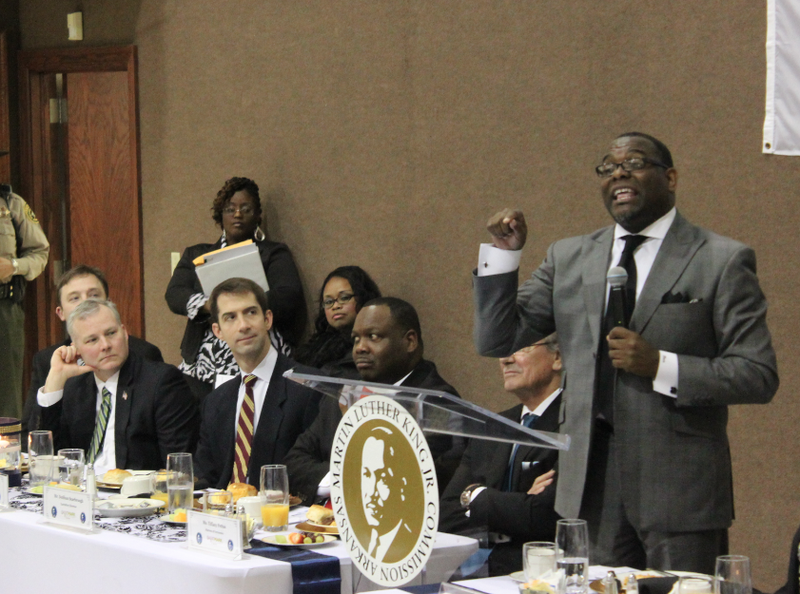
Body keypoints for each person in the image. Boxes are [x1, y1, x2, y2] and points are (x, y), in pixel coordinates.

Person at [472, 132, 779, 573]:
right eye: (607, 167)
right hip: (589, 483)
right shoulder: (570, 256)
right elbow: (496, 339)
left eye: (634, 162)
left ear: (670, 177)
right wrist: (503, 259)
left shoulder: (721, 259)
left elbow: (758, 373)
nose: (618, 172)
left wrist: (660, 366)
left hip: (678, 487)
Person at [285, 297, 463, 504]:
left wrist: (347, 477)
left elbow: (410, 479)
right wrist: (338, 480)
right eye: (356, 339)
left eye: (373, 336)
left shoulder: (437, 401)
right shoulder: (346, 393)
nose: (360, 348)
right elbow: (294, 462)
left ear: (410, 341)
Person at [165, 177, 305, 401]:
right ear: (220, 215)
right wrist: (210, 304)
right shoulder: (196, 254)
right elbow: (174, 294)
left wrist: (243, 306)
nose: (237, 215)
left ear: (258, 215)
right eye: (230, 209)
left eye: (245, 209)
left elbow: (288, 296)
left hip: (257, 352)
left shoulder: (273, 253)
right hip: (202, 365)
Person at [440, 333, 563, 576]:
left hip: (540, 574)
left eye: (520, 347)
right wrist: (517, 501)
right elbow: (446, 513)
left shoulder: (574, 425)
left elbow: (544, 515)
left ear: (557, 357)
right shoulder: (494, 426)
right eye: (505, 348)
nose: (505, 359)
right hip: (479, 568)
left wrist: (474, 496)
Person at [38, 299, 198, 473]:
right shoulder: (75, 387)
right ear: (76, 348)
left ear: (124, 332)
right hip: (82, 493)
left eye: (111, 333)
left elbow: (178, 466)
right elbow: (49, 461)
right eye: (92, 340)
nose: (105, 345)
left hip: (135, 495)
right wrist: (55, 378)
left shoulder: (161, 382)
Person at [194, 278, 321, 489]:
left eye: (251, 312)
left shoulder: (307, 387)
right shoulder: (215, 402)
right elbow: (205, 475)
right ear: (218, 332)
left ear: (268, 319)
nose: (243, 325)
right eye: (230, 317)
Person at [23, 264, 163, 436]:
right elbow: (32, 434)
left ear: (109, 302)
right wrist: (55, 380)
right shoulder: (47, 360)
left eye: (94, 295)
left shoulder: (143, 353)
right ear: (60, 313)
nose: (86, 303)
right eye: (74, 298)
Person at [0, 183, 49, 418]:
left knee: (7, 397)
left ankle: (4, 454)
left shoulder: (11, 204)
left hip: (4, 310)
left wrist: (14, 266)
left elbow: (40, 253)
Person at [293, 265, 381, 370]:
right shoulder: (318, 346)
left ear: (364, 297)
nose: (336, 306)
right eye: (329, 302)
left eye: (344, 298)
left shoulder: (377, 343)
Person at [361, 425, 413, 563]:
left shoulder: (409, 545)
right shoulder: (362, 541)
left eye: (382, 478)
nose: (371, 493)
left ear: (402, 484)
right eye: (366, 474)